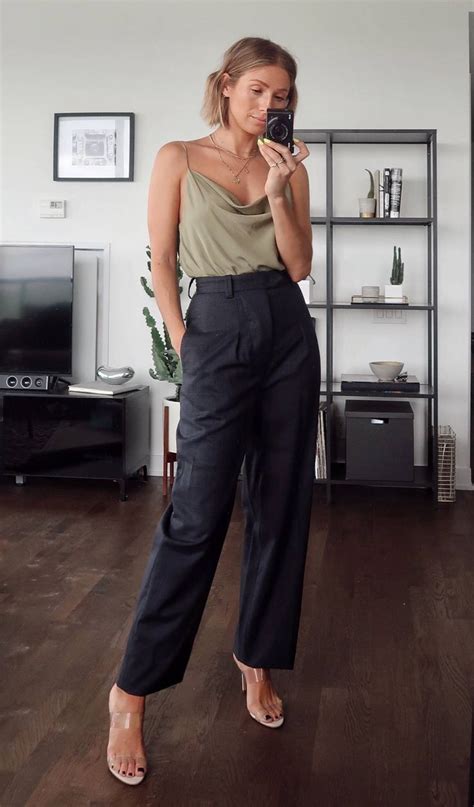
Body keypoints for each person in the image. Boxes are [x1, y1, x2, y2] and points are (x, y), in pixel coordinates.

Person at [106, 35, 321, 786]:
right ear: (227, 85)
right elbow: (162, 258)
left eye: (283, 95)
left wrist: (279, 192)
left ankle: (255, 659)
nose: (272, 105)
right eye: (260, 90)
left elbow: (298, 265)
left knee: (280, 504)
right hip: (217, 327)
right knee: (195, 513)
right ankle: (130, 690)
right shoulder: (177, 157)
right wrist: (182, 336)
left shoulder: (288, 165)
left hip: (286, 327)